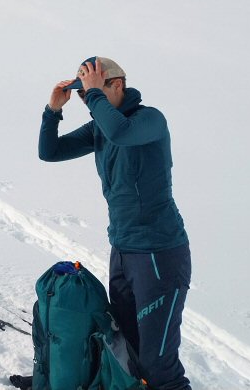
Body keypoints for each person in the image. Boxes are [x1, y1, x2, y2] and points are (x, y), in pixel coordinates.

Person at [39, 57, 192, 390]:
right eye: (81, 93)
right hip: (122, 251)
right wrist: (52, 112)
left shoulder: (149, 119)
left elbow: (121, 133)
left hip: (159, 253)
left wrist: (93, 97)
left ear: (118, 85)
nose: (86, 99)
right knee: (126, 349)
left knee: (158, 363)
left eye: (93, 89)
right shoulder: (100, 128)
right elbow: (49, 152)